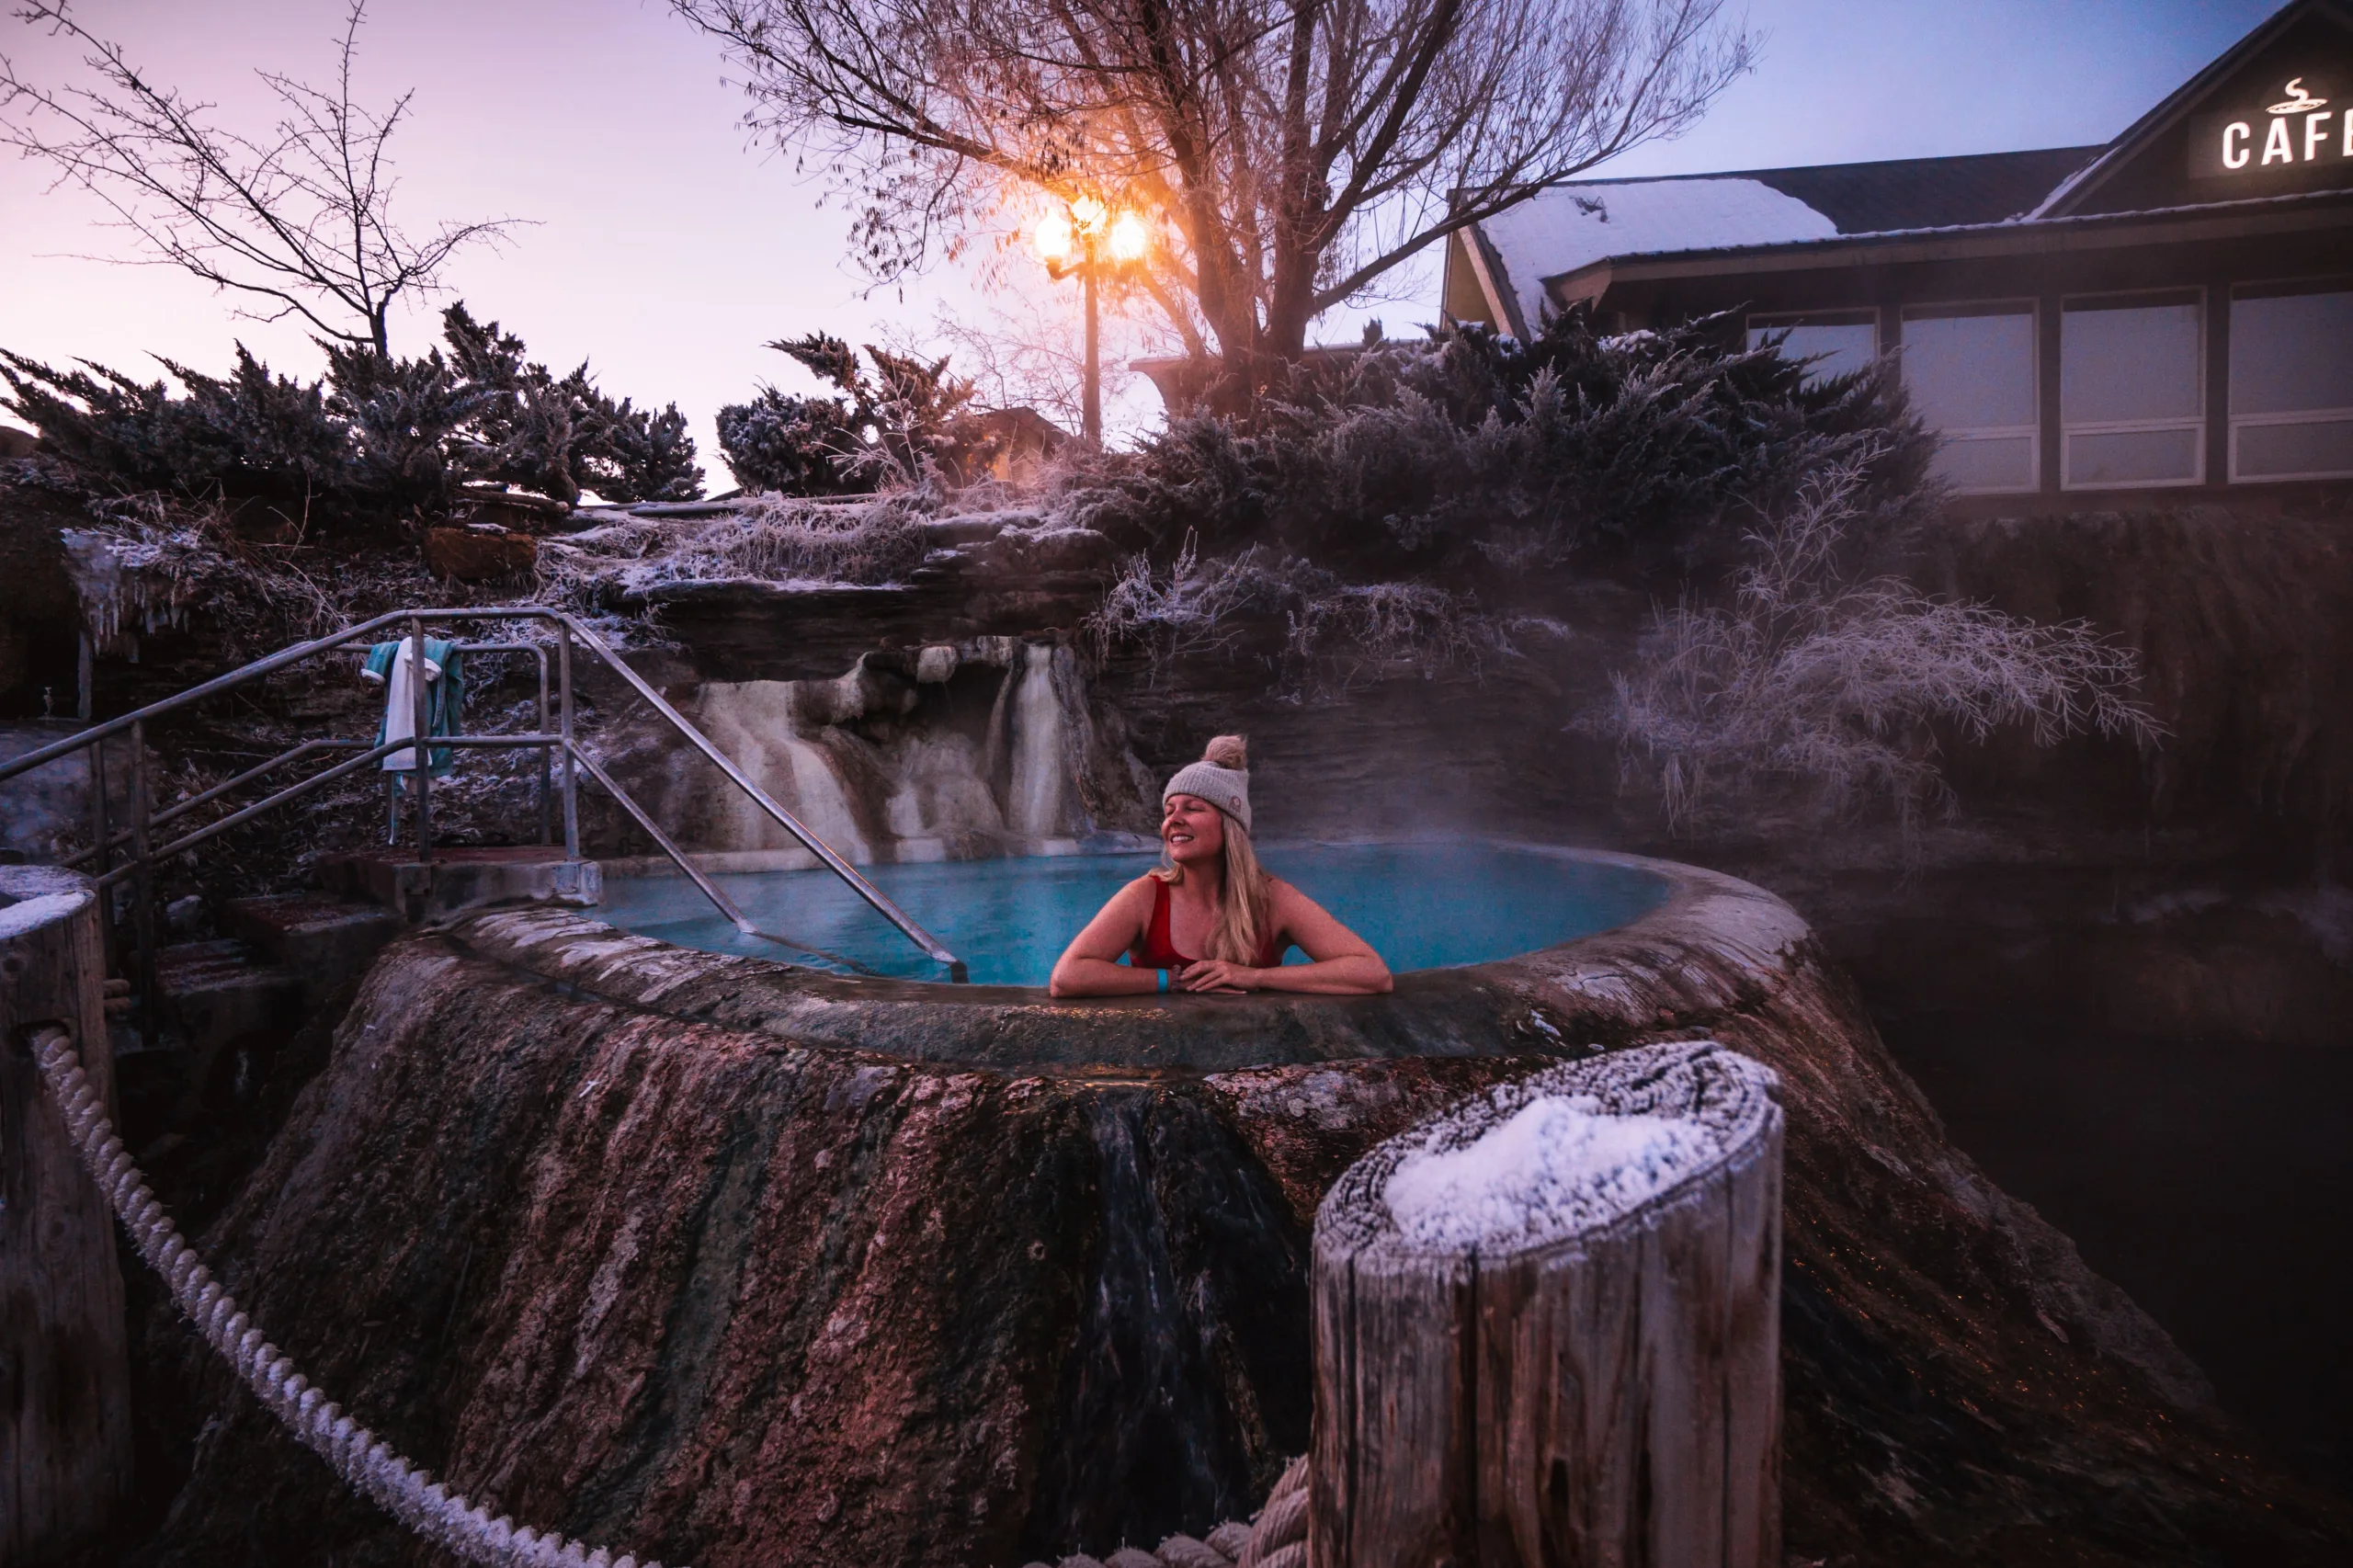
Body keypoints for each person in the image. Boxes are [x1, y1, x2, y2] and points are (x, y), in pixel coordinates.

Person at [1049, 734, 1392, 997]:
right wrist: (1173, 980)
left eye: (1193, 809)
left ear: (1230, 824)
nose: (1174, 821)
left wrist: (1253, 977)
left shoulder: (1272, 898)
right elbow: (1067, 977)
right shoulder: (1146, 895)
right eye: (1169, 811)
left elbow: (1372, 973)